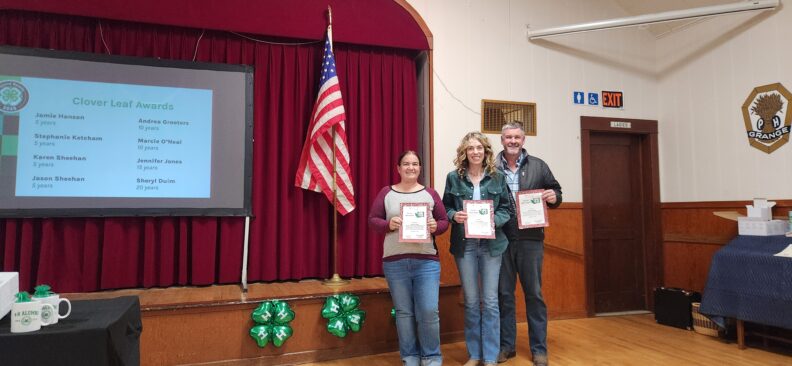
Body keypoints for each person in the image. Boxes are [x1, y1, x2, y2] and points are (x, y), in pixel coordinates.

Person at [368, 150, 449, 366]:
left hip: (426, 262)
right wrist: (388, 224)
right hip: (395, 262)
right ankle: (410, 357)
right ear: (398, 168)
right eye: (406, 163)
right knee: (404, 312)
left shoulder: (430, 194)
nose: (410, 167)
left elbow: (443, 222)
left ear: (420, 168)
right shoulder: (386, 193)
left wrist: (435, 226)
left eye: (415, 163)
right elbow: (373, 220)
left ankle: (431, 357)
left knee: (429, 311)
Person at [442, 132, 512, 366]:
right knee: (472, 301)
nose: (475, 152)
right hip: (466, 246)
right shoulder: (453, 178)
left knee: (490, 301)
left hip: (492, 246)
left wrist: (494, 220)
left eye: (479, 148)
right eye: (471, 148)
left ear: (486, 152)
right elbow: (445, 208)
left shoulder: (497, 177)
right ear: (464, 152)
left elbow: (506, 209)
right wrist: (454, 215)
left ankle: (491, 356)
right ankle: (475, 354)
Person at [495, 122, 562, 366]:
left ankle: (539, 349)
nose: (512, 141)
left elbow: (556, 191)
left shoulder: (539, 165)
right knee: (504, 295)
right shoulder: (492, 168)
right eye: (508, 137)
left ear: (523, 140)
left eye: (517, 137)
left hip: (531, 240)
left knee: (534, 294)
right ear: (502, 140)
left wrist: (555, 197)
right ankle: (507, 346)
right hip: (501, 240)